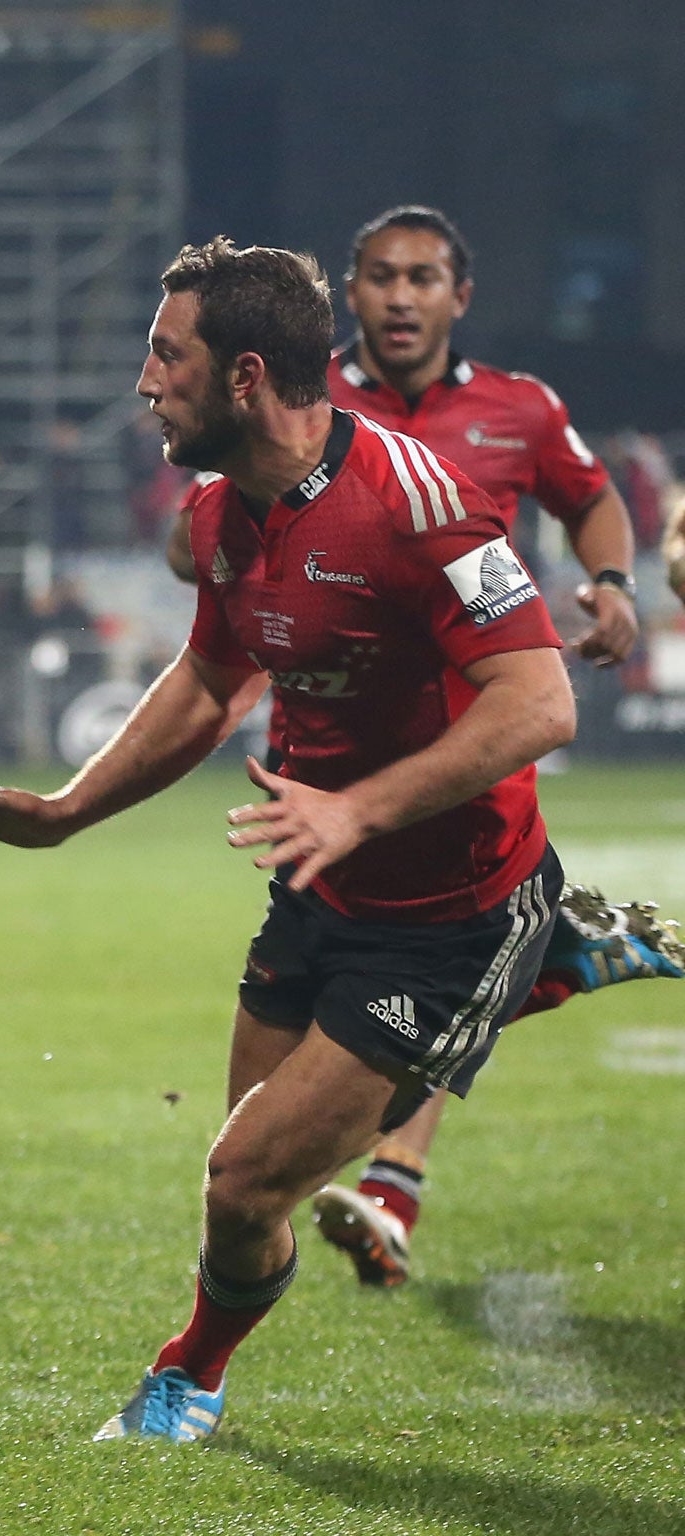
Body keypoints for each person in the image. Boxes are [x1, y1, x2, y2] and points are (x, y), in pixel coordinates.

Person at [0, 238, 576, 1442]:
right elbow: (204, 680)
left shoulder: (421, 505)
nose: (142, 382)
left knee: (244, 1176)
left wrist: (357, 807)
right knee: (242, 1186)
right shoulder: (222, 508)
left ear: (240, 378)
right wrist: (65, 813)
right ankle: (537, 977)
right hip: (318, 888)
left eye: (162, 355)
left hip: (446, 912)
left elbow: (537, 704)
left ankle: (189, 1376)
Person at [167, 206, 682, 1286]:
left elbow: (589, 504)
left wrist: (613, 583)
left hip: (461, 731)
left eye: (422, 278)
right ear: (345, 298)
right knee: (256, 1139)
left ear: (459, 297)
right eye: (377, 277)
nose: (399, 297)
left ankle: (396, 1178)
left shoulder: (518, 410)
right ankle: (545, 958)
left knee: (445, 935)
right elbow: (205, 542)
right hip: (321, 770)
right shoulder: (296, 406)